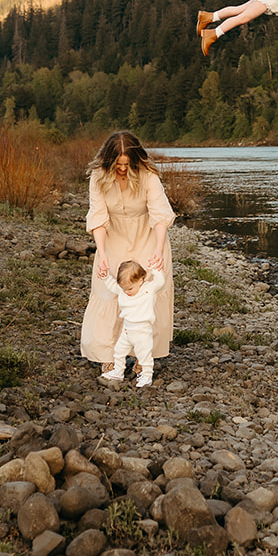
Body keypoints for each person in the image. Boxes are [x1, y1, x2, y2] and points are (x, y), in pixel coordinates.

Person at [79, 131, 175, 376]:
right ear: (109, 161)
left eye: (127, 164)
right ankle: (108, 357)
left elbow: (160, 214)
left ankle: (143, 356)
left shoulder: (148, 176)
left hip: (147, 236)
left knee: (146, 293)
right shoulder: (99, 177)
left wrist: (158, 250)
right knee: (107, 291)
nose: (122, 169)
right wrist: (101, 253)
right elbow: (98, 217)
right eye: (118, 164)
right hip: (113, 238)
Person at [96, 258, 165, 388]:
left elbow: (160, 282)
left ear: (140, 281)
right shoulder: (123, 291)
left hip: (142, 331)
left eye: (129, 288)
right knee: (119, 351)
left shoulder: (148, 289)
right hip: (127, 330)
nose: (127, 292)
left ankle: (146, 375)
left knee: (144, 355)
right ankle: (118, 371)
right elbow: (112, 286)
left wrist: (156, 270)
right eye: (124, 288)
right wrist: (105, 277)